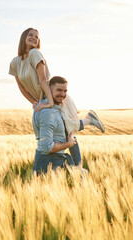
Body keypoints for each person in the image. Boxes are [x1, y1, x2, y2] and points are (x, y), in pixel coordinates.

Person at [9, 27, 104, 167]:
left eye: (37, 36)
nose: (34, 38)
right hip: (42, 100)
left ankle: (77, 166)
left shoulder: (35, 53)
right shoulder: (15, 62)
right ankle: (89, 119)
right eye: (31, 35)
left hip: (51, 95)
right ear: (23, 37)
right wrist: (34, 102)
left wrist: (50, 102)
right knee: (67, 128)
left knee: (68, 129)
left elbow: (42, 80)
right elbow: (21, 87)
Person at [32, 76, 78, 174]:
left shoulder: (52, 107)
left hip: (54, 161)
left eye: (65, 91)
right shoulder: (48, 113)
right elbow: (46, 147)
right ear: (49, 90)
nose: (63, 94)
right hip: (48, 163)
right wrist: (68, 144)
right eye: (59, 90)